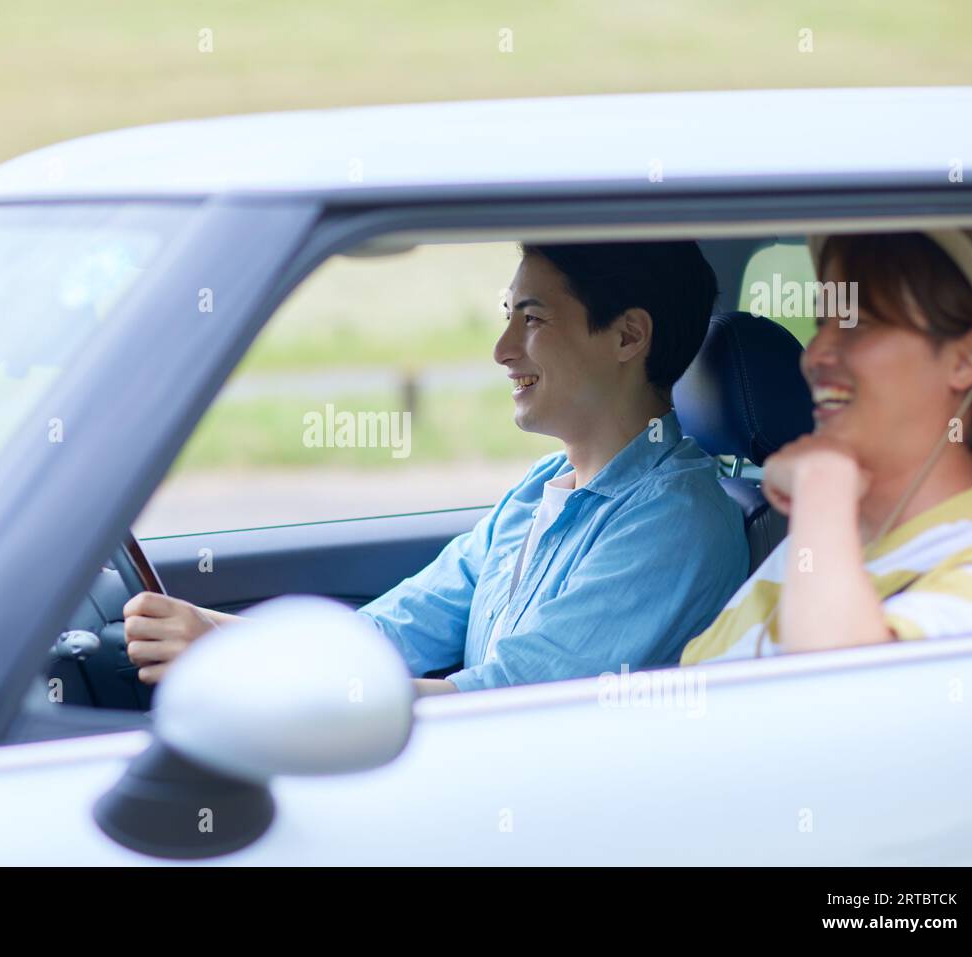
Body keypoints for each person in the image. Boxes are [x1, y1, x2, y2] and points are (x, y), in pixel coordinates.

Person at [125, 241, 748, 693]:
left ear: (627, 338)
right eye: (508, 316)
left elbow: (506, 705)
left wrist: (239, 661)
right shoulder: (539, 491)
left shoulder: (677, 523)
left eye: (531, 320)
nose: (503, 351)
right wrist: (215, 633)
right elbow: (390, 634)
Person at [682, 230, 972, 664]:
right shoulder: (826, 541)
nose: (813, 355)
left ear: (966, 359)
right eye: (823, 324)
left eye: (859, 323)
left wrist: (821, 488)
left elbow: (840, 705)